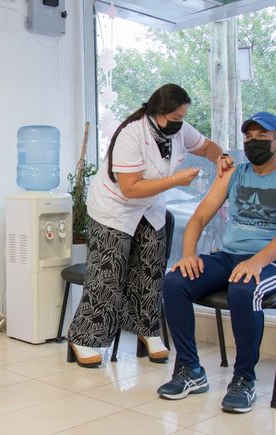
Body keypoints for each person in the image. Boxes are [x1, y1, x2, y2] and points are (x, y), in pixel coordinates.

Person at [66, 84, 233, 368]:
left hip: (150, 207)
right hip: (115, 208)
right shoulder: (132, 134)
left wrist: (221, 157)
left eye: (183, 118)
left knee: (152, 268)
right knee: (109, 273)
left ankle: (148, 332)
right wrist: (175, 181)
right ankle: (84, 338)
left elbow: (205, 146)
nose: (180, 124)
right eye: (175, 118)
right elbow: (130, 188)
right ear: (158, 112)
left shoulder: (179, 129)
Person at [157, 112, 276, 413]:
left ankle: (244, 379)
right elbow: (199, 217)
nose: (254, 142)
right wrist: (188, 255)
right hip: (230, 257)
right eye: (248, 137)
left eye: (262, 136)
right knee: (174, 281)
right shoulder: (234, 174)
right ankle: (190, 371)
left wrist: (256, 262)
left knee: (243, 288)